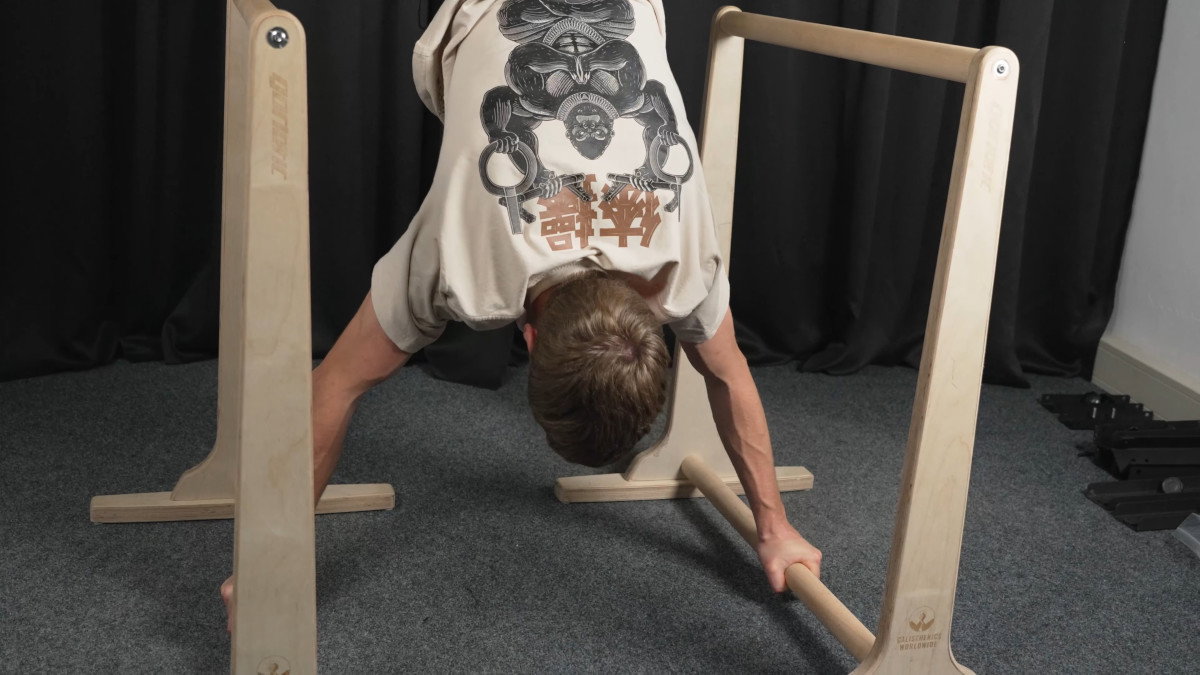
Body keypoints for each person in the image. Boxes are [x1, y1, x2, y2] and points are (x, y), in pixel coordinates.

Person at [222, 0, 821, 631]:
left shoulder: (679, 259)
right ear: (530, 340)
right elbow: (332, 388)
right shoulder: (461, 256)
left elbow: (729, 376)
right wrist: (267, 568)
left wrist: (776, 526)